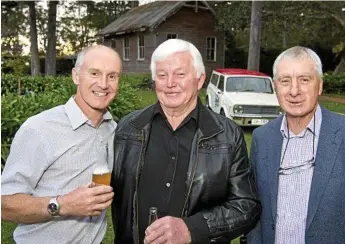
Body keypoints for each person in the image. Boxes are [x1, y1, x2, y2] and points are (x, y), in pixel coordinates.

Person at [111, 39, 261, 244]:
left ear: (199, 80)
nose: (170, 83)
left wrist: (193, 228)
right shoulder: (127, 129)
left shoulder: (227, 135)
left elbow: (246, 205)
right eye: (162, 75)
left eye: (180, 74)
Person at [1, 45, 121, 244]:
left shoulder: (114, 130)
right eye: (94, 73)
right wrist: (63, 205)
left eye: (112, 76)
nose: (103, 84)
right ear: (76, 76)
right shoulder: (39, 129)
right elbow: (4, 204)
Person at [247, 46, 345, 244]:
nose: (294, 91)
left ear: (320, 86)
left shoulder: (341, 134)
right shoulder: (262, 139)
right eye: (285, 81)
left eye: (304, 80)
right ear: (275, 87)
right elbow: (255, 210)